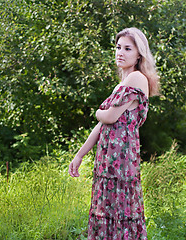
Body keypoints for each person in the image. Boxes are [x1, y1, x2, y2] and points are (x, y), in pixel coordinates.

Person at [69, 27, 159, 239]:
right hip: (109, 157)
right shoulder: (123, 82)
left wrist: (99, 111)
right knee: (108, 209)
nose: (120, 52)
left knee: (119, 209)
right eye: (118, 47)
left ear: (139, 54)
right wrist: (80, 154)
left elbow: (108, 117)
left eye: (128, 48)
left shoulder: (137, 78)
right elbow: (103, 126)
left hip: (121, 158)